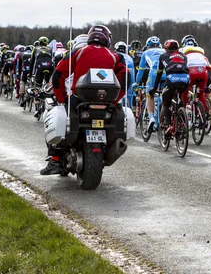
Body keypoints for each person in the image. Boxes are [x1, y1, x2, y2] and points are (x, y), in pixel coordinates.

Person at [46, 25, 128, 175]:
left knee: (57, 115)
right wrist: (115, 100)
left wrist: (64, 98)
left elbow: (58, 74)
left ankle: (55, 160)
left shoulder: (77, 52)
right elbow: (125, 79)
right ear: (108, 39)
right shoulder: (116, 56)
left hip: (78, 100)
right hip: (107, 103)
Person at [149, 39, 190, 137]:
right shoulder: (184, 56)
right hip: (186, 78)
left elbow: (159, 74)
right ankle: (182, 121)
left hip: (172, 79)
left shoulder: (163, 56)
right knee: (180, 98)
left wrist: (154, 89)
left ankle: (169, 125)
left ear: (166, 48)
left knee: (165, 102)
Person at [134, 36, 165, 133]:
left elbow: (141, 71)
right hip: (167, 73)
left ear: (147, 46)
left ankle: (151, 117)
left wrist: (136, 83)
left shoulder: (145, 53)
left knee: (149, 95)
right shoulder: (164, 51)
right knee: (164, 95)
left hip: (154, 73)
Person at [180, 35, 211, 122]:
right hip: (203, 72)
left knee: (185, 91)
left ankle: (185, 111)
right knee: (200, 94)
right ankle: (202, 115)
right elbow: (209, 67)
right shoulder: (201, 51)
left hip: (191, 72)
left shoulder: (181, 50)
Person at [115, 41, 136, 109]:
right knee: (130, 97)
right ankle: (131, 113)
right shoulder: (130, 58)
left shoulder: (115, 56)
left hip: (118, 79)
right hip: (129, 79)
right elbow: (132, 75)